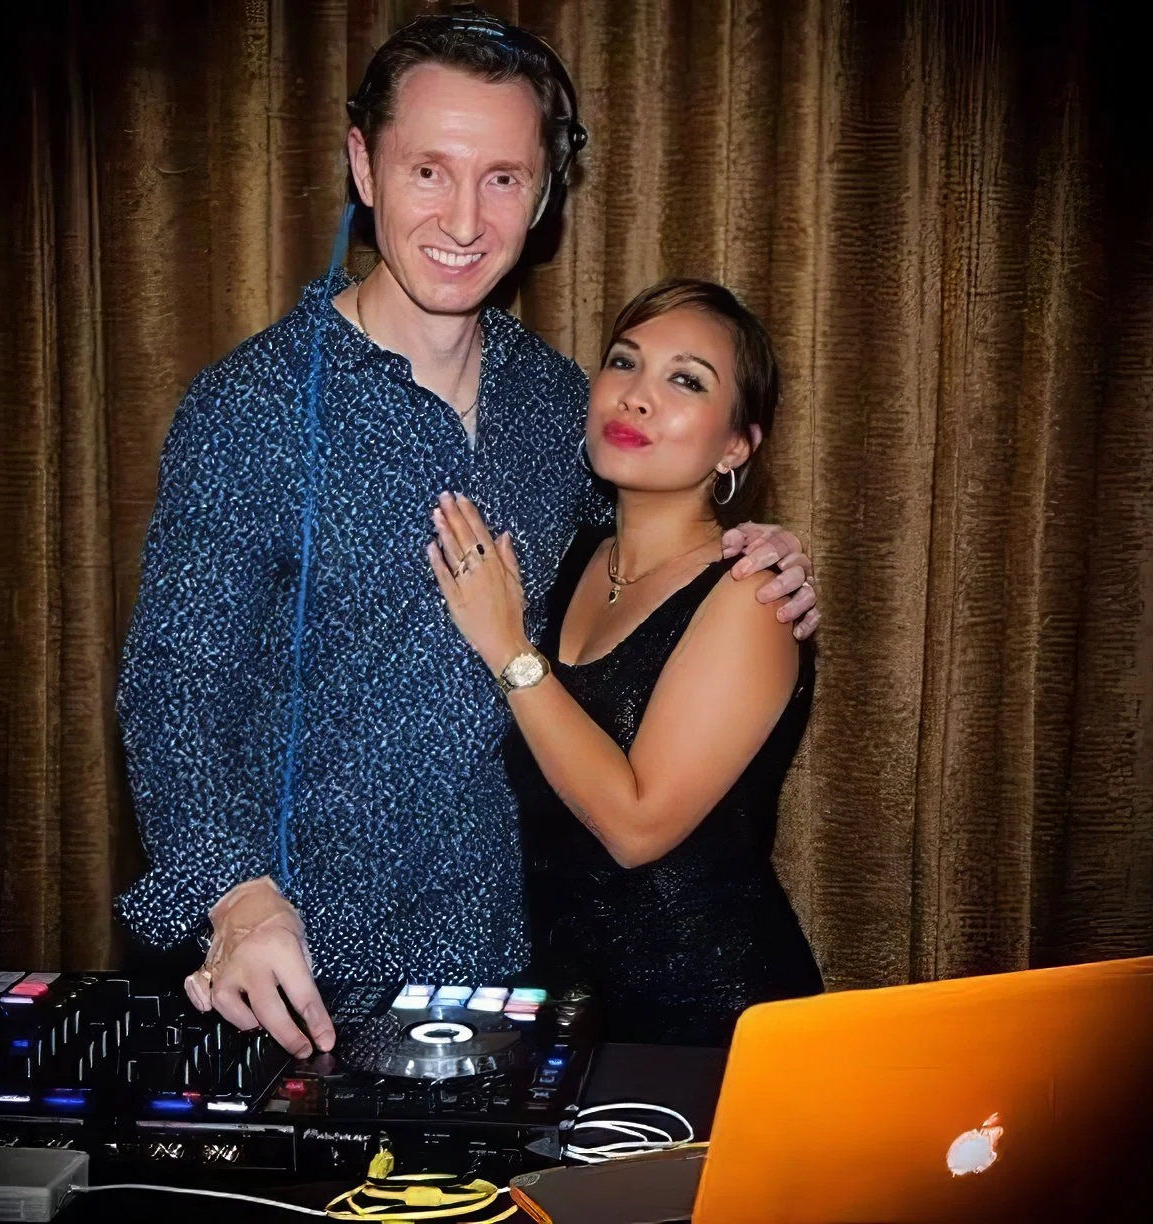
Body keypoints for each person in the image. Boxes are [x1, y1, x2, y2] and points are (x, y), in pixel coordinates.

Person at [116, 8, 819, 1060]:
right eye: (428, 170)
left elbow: (644, 566)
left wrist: (757, 547)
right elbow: (174, 681)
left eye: (501, 177)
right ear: (363, 166)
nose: (464, 216)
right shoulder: (248, 408)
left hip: (517, 977)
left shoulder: (559, 405)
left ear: (541, 196)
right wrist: (235, 893)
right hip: (300, 979)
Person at [430, 278, 822, 1046]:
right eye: (623, 362)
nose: (637, 397)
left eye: (685, 380)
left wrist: (507, 647)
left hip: (710, 1027)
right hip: (565, 1020)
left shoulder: (751, 594)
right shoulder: (568, 553)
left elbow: (637, 826)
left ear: (738, 443)